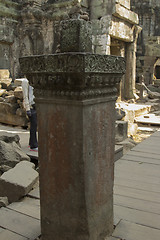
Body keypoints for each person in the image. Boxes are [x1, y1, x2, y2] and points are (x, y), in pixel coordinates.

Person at [22, 78, 38, 152]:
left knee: (34, 125)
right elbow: (25, 96)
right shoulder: (25, 82)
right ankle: (33, 145)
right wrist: (28, 108)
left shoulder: (35, 80)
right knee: (34, 125)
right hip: (31, 107)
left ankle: (31, 142)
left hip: (36, 105)